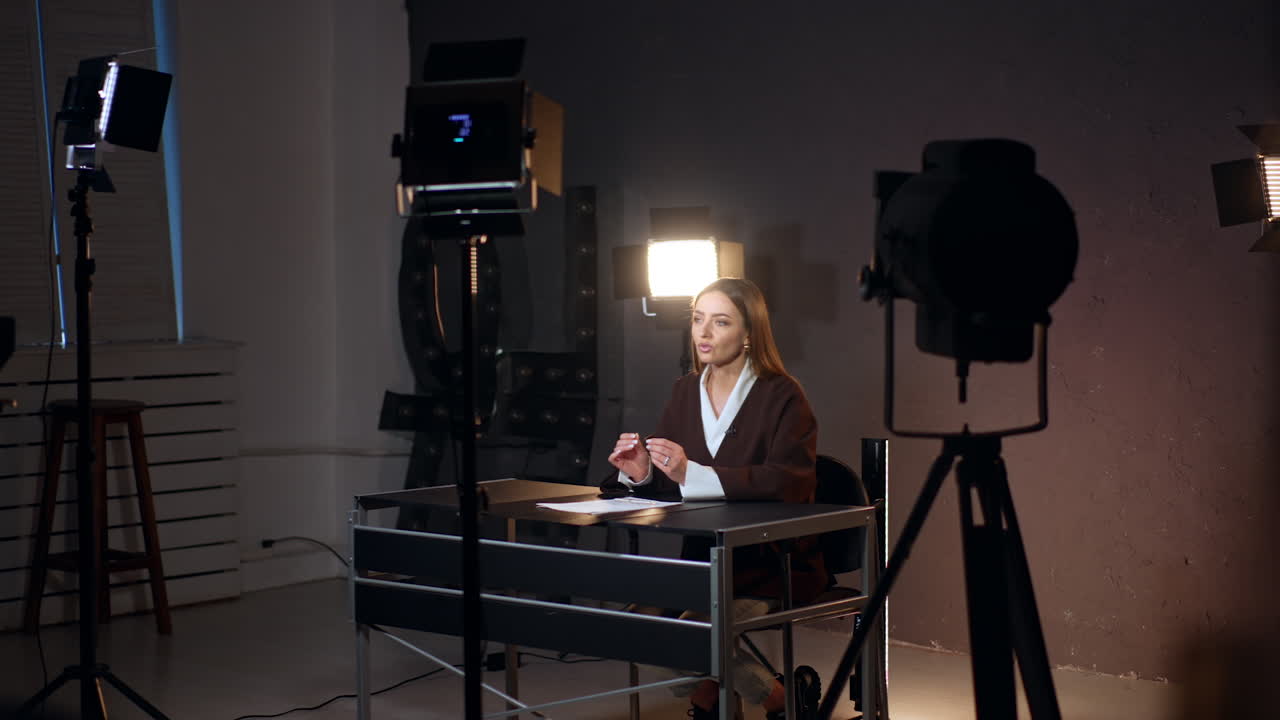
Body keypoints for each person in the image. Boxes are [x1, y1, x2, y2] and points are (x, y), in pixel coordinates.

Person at [607, 277, 825, 720]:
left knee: (695, 631)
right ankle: (729, 692)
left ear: (749, 334)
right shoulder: (686, 390)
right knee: (637, 621)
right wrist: (642, 473)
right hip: (702, 561)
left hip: (771, 564)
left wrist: (694, 472)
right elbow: (673, 479)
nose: (703, 333)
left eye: (720, 322)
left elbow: (789, 483)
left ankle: (769, 700)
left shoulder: (783, 395)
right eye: (698, 319)